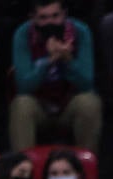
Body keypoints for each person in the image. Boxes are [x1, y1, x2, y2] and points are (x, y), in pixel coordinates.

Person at [8, 0, 102, 152]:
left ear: (64, 14)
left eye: (55, 16)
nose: (50, 22)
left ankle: (85, 168)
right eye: (43, 18)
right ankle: (23, 168)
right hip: (39, 106)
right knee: (21, 104)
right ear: (32, 18)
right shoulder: (23, 34)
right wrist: (48, 61)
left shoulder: (81, 32)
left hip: (69, 105)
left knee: (89, 102)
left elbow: (86, 83)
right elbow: (23, 86)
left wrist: (67, 60)